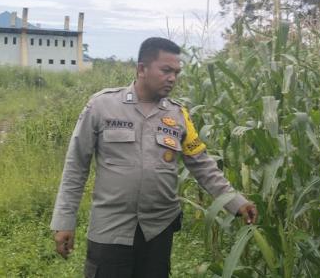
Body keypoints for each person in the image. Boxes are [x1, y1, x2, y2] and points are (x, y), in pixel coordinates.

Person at [50, 37, 257, 277]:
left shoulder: (179, 115)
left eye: (177, 72)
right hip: (110, 228)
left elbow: (202, 164)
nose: (172, 78)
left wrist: (236, 202)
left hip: (158, 230)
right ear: (141, 69)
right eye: (166, 70)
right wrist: (64, 221)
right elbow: (76, 166)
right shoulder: (102, 106)